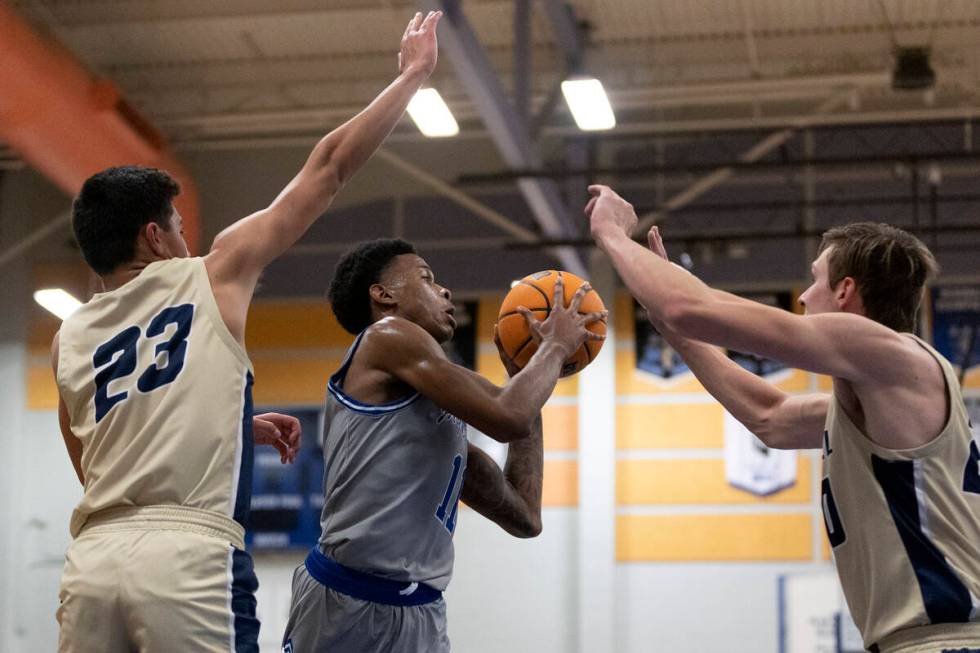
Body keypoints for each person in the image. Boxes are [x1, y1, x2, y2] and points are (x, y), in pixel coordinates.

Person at [52, 11, 444, 651]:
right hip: (187, 559)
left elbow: (94, 463)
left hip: (92, 562)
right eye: (177, 225)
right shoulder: (211, 273)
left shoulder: (68, 337)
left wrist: (231, 424)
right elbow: (328, 169)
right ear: (154, 236)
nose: (187, 236)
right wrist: (412, 76)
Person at [586, 184, 980, 653]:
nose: (802, 298)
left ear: (845, 290)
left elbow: (689, 306)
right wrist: (673, 322)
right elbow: (768, 415)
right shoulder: (884, 397)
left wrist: (612, 234)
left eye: (814, 279)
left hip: (945, 642)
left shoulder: (888, 352)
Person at [281, 238, 605, 652]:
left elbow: (525, 516)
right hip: (348, 602)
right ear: (383, 295)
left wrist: (526, 371)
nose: (445, 291)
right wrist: (555, 346)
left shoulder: (440, 434)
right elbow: (508, 415)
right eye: (427, 279)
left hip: (422, 611)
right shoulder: (386, 336)